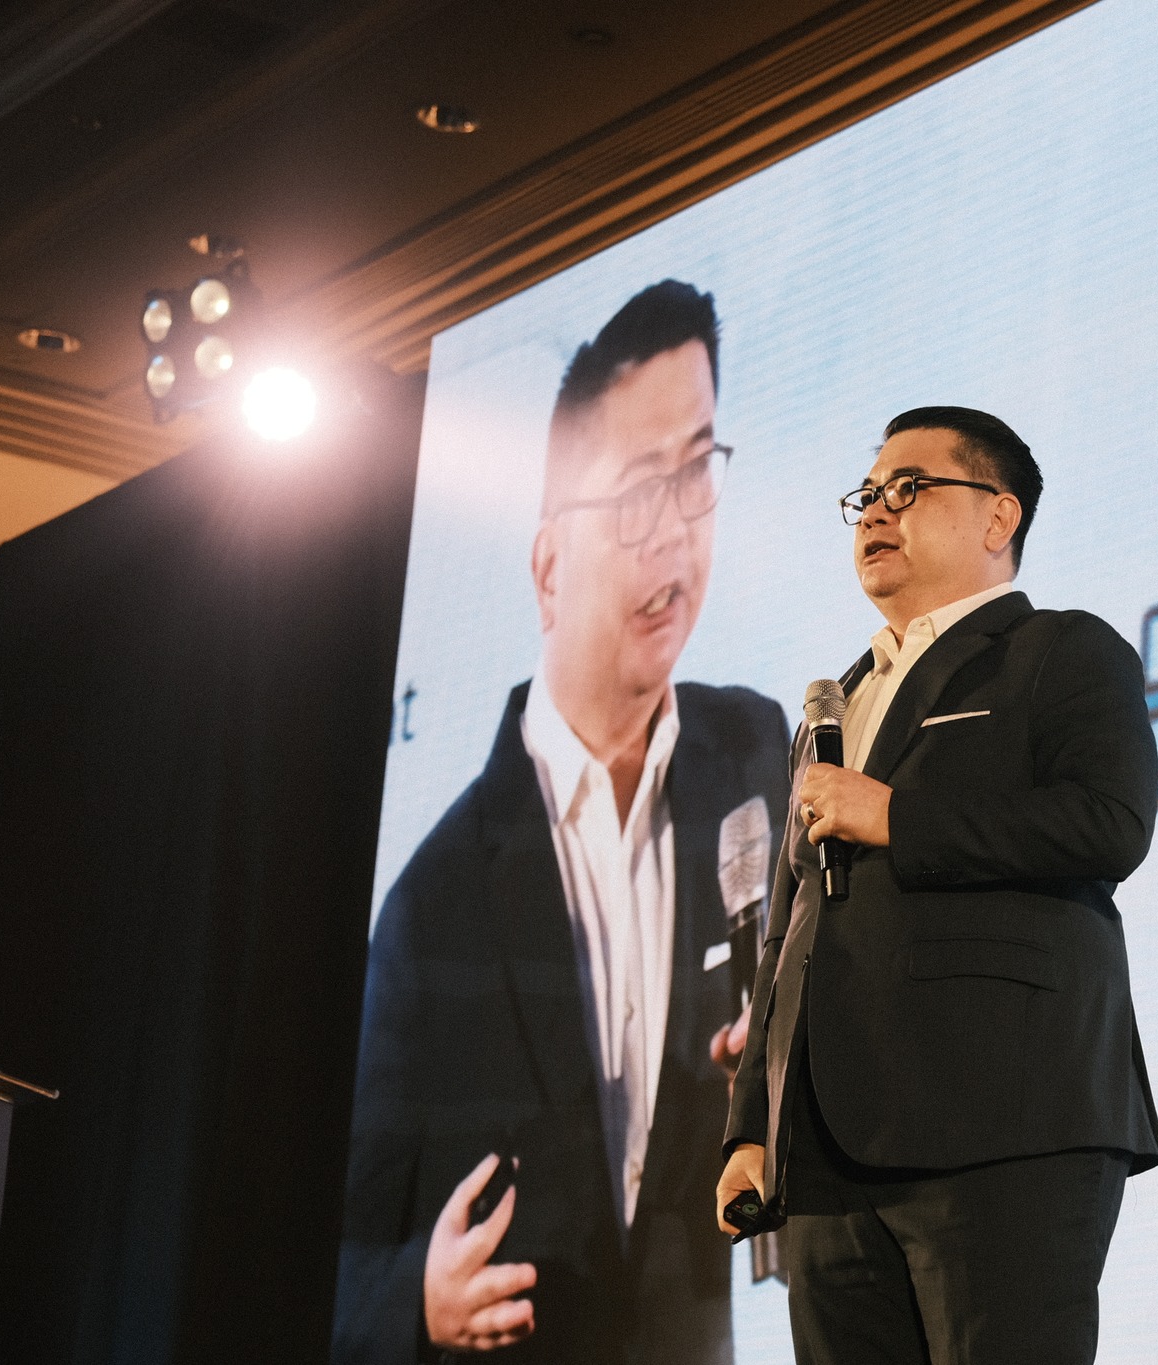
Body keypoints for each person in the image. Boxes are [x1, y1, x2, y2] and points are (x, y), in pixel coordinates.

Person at [335, 280, 788, 1365]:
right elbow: (333, 1255)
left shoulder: (752, 759)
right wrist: (416, 1298)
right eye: (636, 494)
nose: (675, 533)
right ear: (547, 568)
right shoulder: (435, 905)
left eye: (696, 472)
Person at [717, 406, 1158, 1365]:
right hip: (829, 1152)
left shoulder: (1062, 650)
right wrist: (753, 1126)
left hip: (1006, 1122)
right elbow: (792, 929)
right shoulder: (837, 703)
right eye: (868, 494)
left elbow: (1110, 822)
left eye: (909, 488)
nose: (878, 510)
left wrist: (898, 816)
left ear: (999, 516)